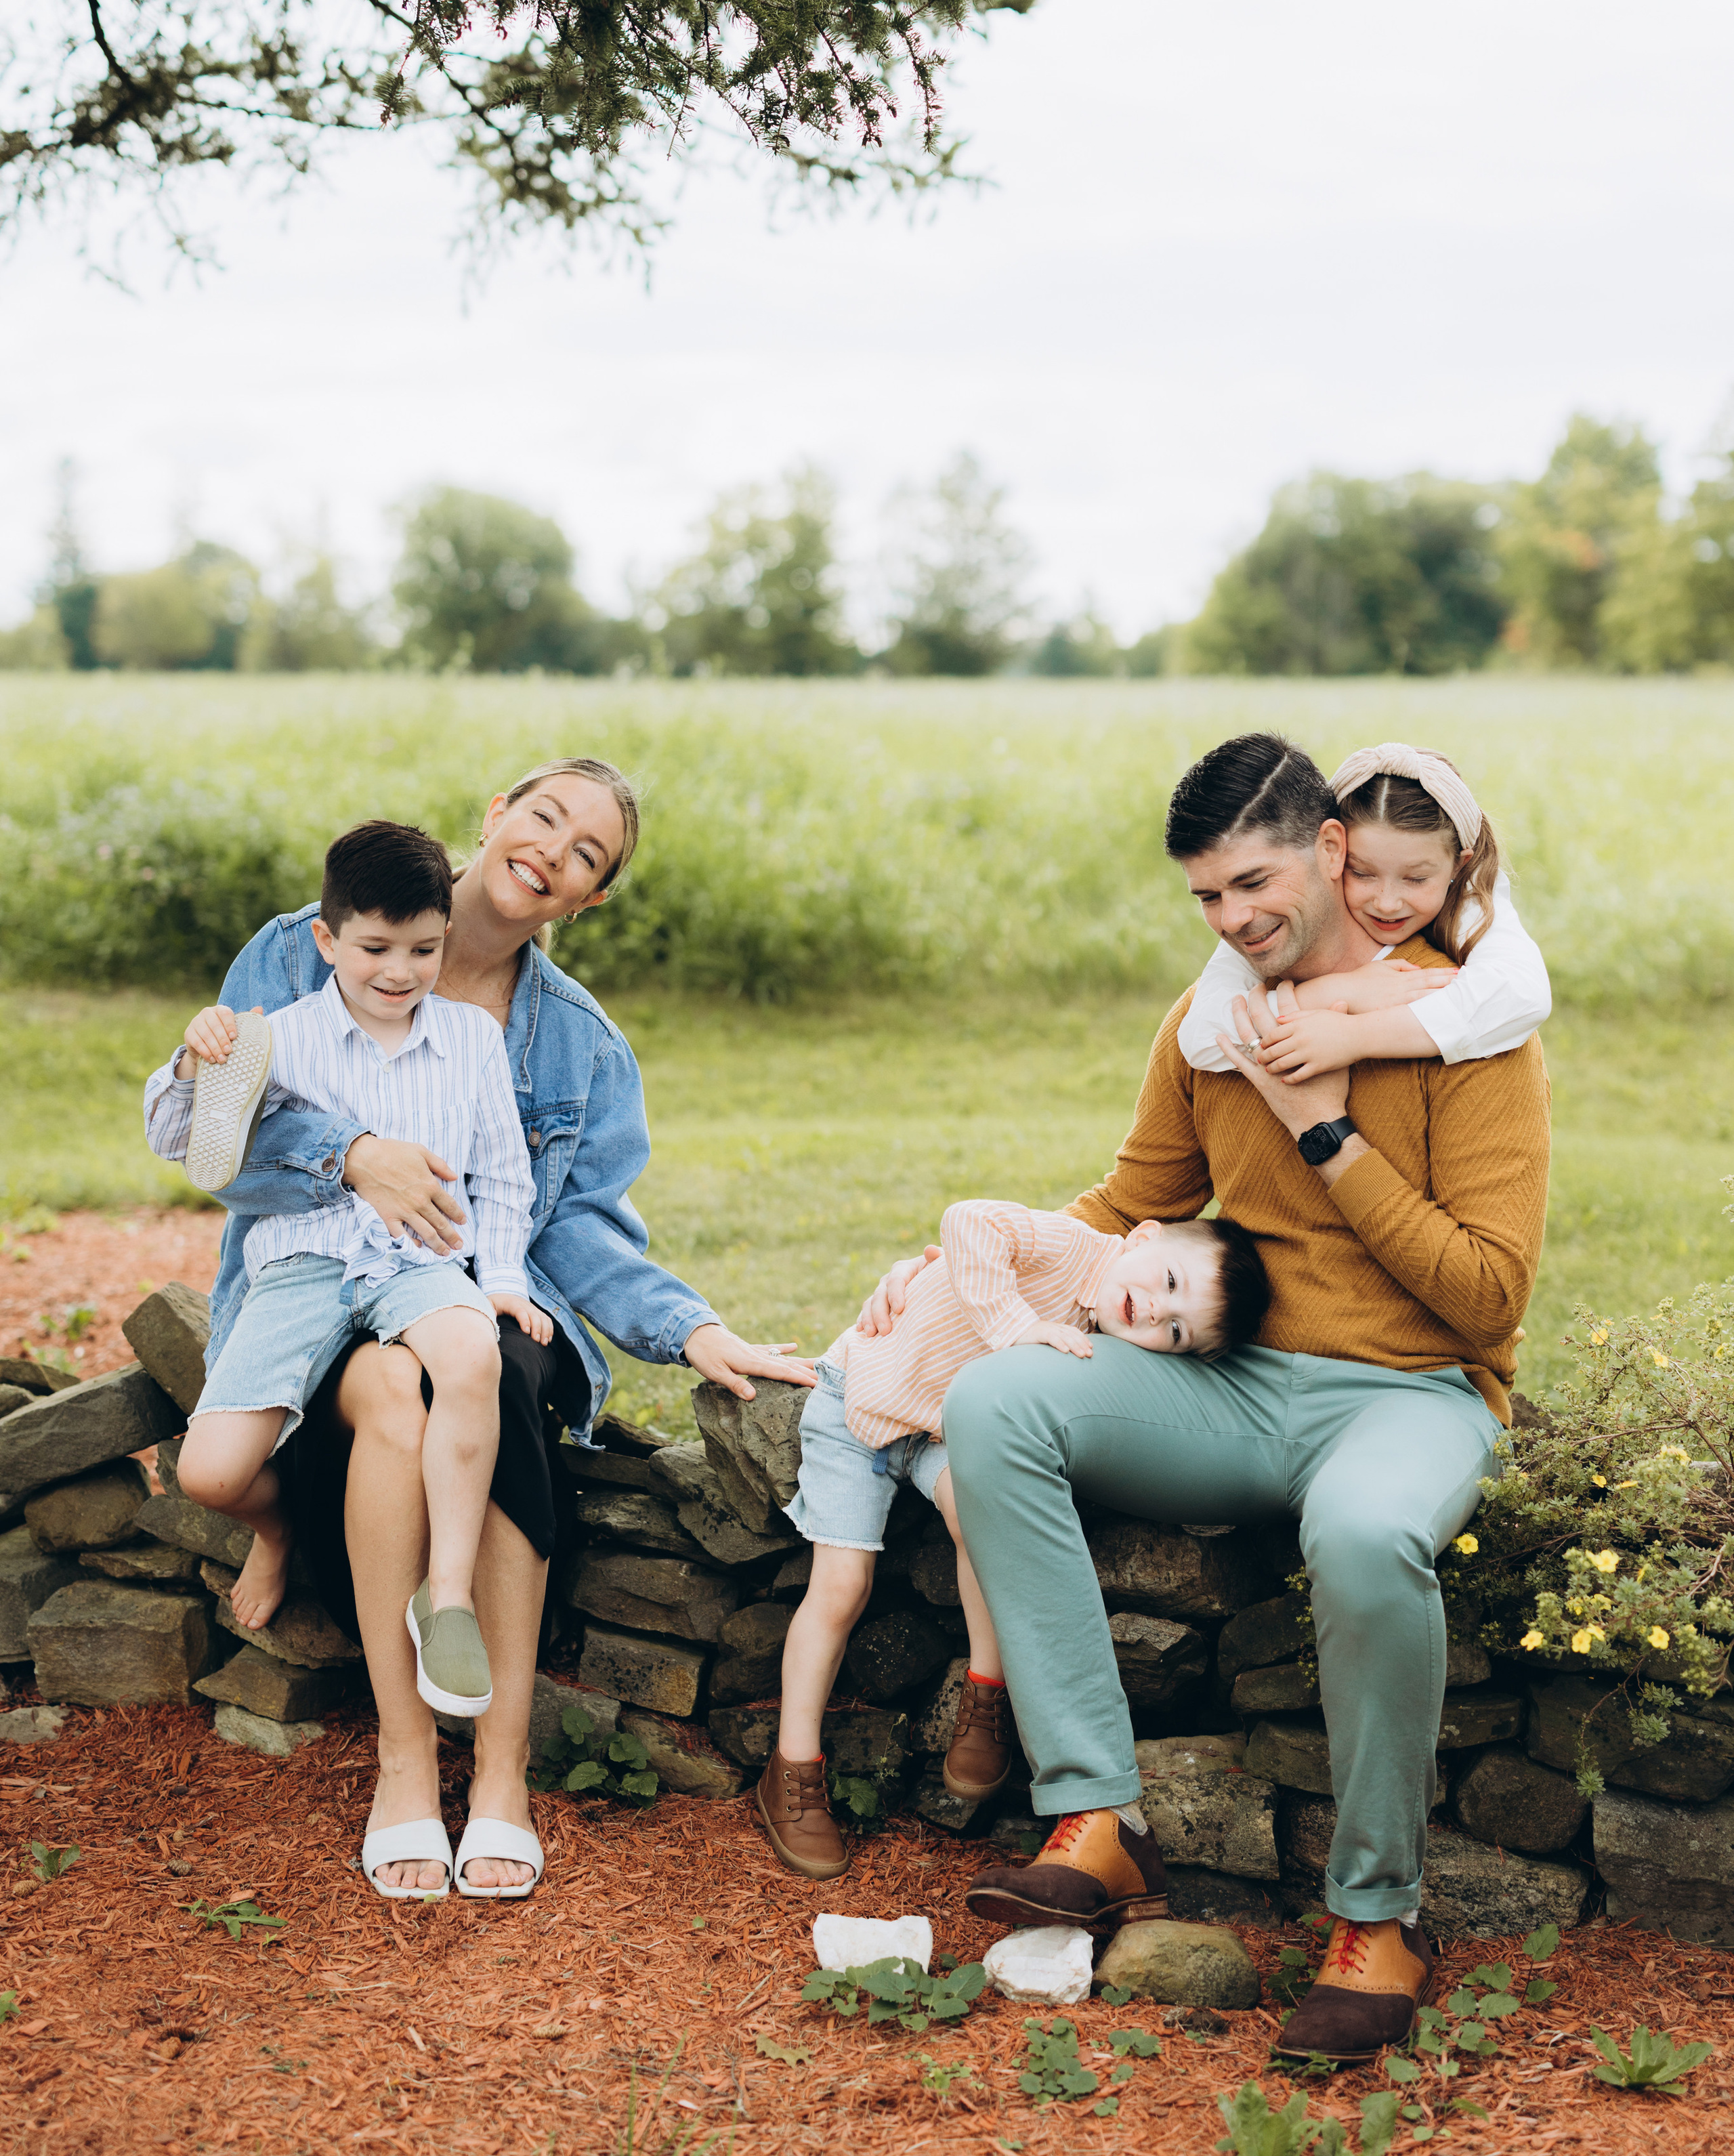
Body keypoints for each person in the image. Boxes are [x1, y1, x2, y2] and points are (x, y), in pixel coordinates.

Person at [862, 731, 1551, 2064]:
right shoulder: (1209, 1018)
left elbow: (1485, 1299)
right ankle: (1096, 1822)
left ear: (1333, 854)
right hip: (1230, 1390)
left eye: (1253, 884)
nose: (1234, 920)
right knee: (1000, 1403)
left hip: (1410, 1394)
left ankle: (1373, 1920)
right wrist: (959, 1263)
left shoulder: (1469, 1031)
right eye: (1206, 898)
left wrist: (1325, 1134)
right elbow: (1130, 1203)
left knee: (1359, 1536)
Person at [196, 758, 811, 1901]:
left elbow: (576, 1228)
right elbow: (214, 1141)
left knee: (504, 1381)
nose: (553, 851)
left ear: (591, 899)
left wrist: (692, 1331)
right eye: (544, 819)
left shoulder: (576, 1043)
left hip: (477, 1286)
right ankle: (404, 1759)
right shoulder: (298, 948)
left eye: (588, 855)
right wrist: (348, 1156)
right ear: (496, 814)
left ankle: (501, 1776)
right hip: (315, 1279)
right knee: (383, 1394)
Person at [145, 821, 542, 1728]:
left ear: (447, 939)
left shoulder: (473, 1040)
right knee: (209, 1474)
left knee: (471, 1357)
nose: (399, 971)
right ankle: (277, 1530)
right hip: (304, 1264)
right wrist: (193, 1058)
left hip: (422, 1257)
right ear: (327, 941)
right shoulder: (275, 1039)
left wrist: (506, 1279)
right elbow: (182, 1144)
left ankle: (447, 1599)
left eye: (423, 949)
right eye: (374, 948)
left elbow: (504, 1175)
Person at [757, 1198, 1269, 1880]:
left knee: (984, 1519)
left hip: (939, 1433)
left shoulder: (1113, 1338)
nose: (1153, 1312)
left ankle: (984, 1696)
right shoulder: (1070, 1246)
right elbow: (969, 1220)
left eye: (1175, 1331)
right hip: (861, 1402)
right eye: (1168, 1283)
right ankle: (792, 1768)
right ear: (1142, 1237)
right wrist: (1015, 1327)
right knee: (842, 1586)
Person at [1177, 739, 1550, 1080]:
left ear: (1459, 866)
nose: (1387, 902)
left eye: (1416, 879)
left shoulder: (1470, 902)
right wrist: (1337, 992)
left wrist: (1355, 1037)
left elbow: (1522, 993)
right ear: (1334, 853)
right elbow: (1199, 1038)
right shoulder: (1257, 923)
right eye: (1362, 872)